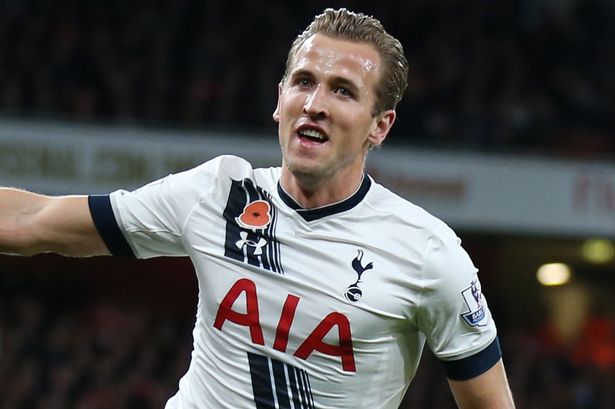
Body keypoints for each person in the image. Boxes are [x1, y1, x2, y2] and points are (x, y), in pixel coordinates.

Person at [0, 8, 515, 409]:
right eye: (304, 81)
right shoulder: (219, 193)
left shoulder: (426, 251)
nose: (315, 102)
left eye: (342, 91)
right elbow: (34, 221)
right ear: (280, 99)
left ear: (379, 126)